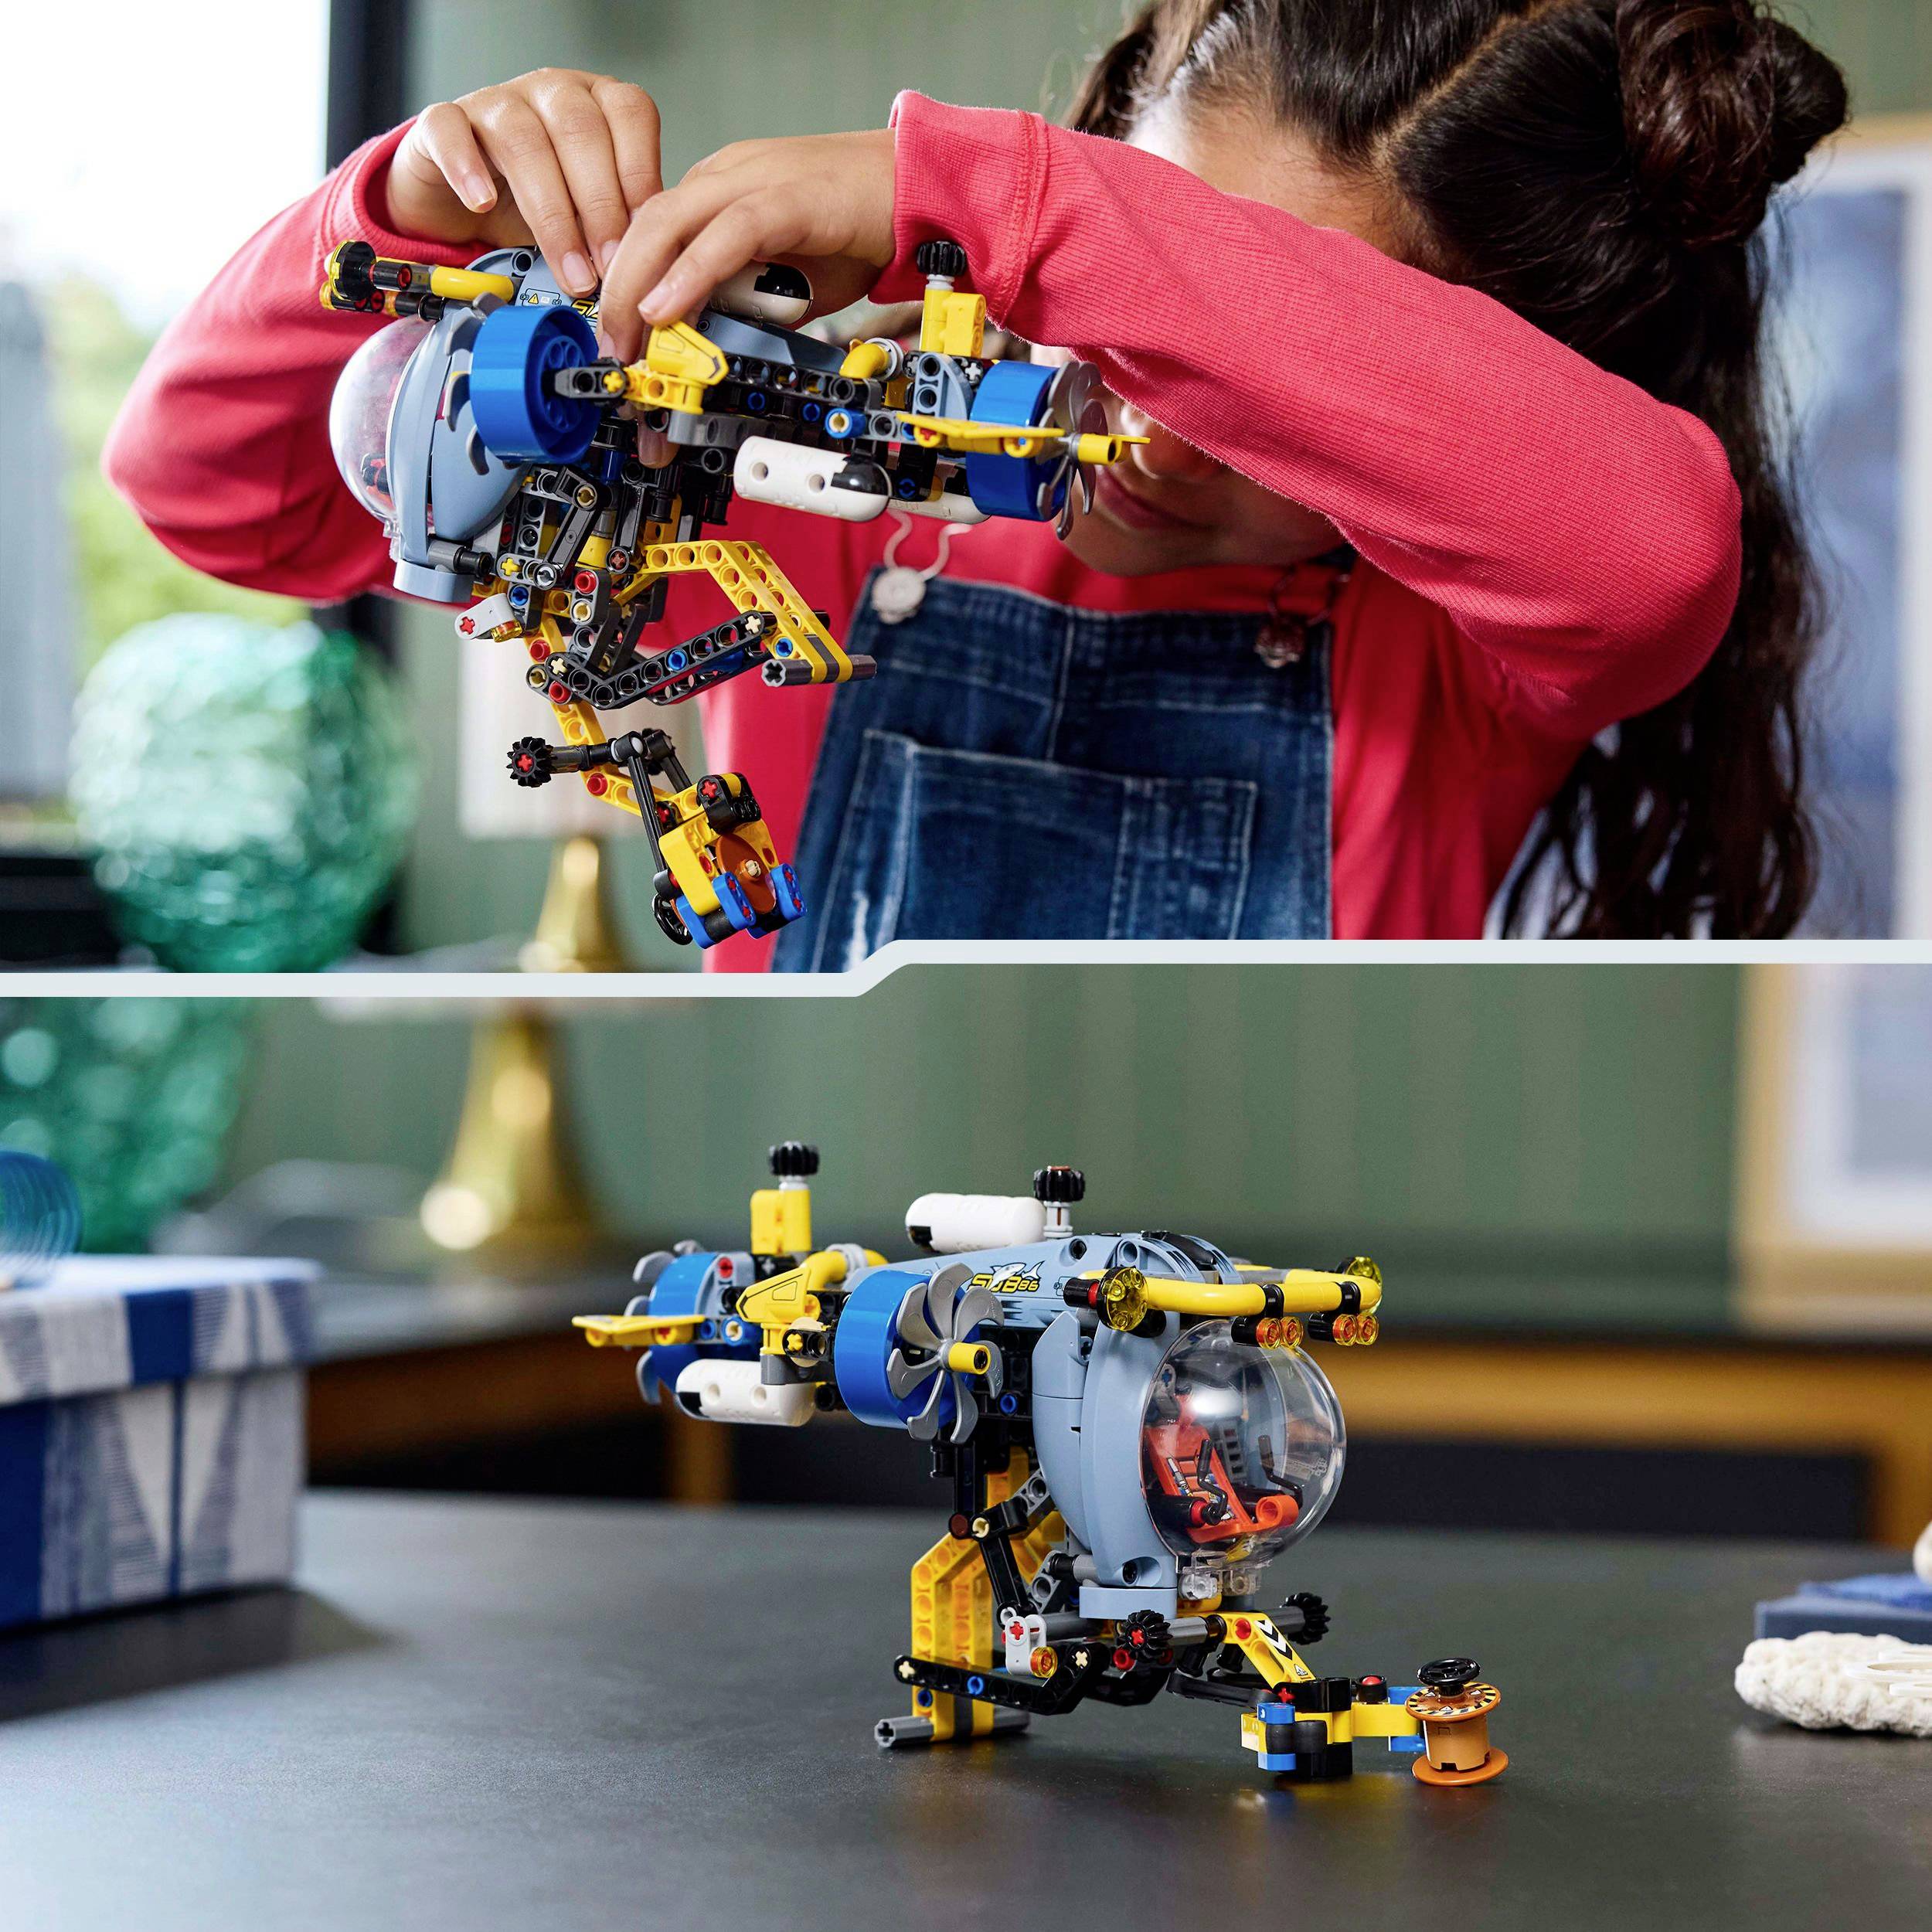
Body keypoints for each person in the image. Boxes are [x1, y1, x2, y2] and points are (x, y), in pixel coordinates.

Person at [105, 0, 1849, 967]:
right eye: (1152, 277)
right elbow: (216, 499)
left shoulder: (1450, 662)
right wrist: (396, 215)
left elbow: (1647, 541)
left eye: (1244, 339)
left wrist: (1035, 209)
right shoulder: (812, 464)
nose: (1159, 430)